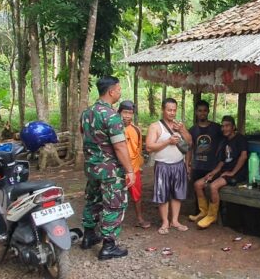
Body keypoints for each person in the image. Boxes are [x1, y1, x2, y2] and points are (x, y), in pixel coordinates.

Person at [80, 76, 136, 260]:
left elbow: (87, 138)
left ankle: (88, 236)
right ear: (111, 91)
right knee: (114, 204)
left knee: (93, 199)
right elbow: (120, 146)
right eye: (119, 90)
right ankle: (109, 246)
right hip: (110, 170)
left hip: (92, 168)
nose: (120, 93)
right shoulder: (112, 116)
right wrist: (129, 170)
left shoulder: (86, 113)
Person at [146, 97, 192, 235]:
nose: (172, 113)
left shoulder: (179, 125)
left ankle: (175, 220)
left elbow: (189, 143)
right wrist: (168, 141)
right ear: (163, 110)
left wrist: (183, 130)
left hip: (178, 164)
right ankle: (165, 222)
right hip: (162, 165)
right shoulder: (155, 127)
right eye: (169, 110)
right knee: (163, 194)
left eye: (174, 110)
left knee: (177, 194)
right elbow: (149, 147)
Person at [193, 115, 248, 228]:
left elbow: (244, 156)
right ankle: (203, 212)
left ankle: (212, 216)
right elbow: (222, 162)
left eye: (227, 126)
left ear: (233, 127)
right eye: (222, 126)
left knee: (213, 186)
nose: (224, 129)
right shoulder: (224, 141)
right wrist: (213, 172)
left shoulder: (240, 139)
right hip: (225, 171)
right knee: (198, 184)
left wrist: (233, 172)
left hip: (238, 173)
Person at [188, 100, 224, 222]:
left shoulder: (216, 128)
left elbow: (225, 142)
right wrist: (188, 164)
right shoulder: (192, 130)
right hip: (197, 165)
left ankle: (212, 215)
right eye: (199, 111)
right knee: (196, 188)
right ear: (196, 113)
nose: (202, 113)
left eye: (204, 110)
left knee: (210, 189)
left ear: (208, 111)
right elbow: (190, 148)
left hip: (212, 166)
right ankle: (200, 213)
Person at [118, 100, 150, 229]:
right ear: (119, 112)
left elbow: (138, 150)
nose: (127, 116)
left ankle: (140, 218)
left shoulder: (136, 130)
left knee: (137, 195)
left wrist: (138, 166)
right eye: (125, 112)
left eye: (130, 113)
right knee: (114, 195)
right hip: (117, 168)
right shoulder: (113, 128)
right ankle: (112, 221)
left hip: (133, 167)